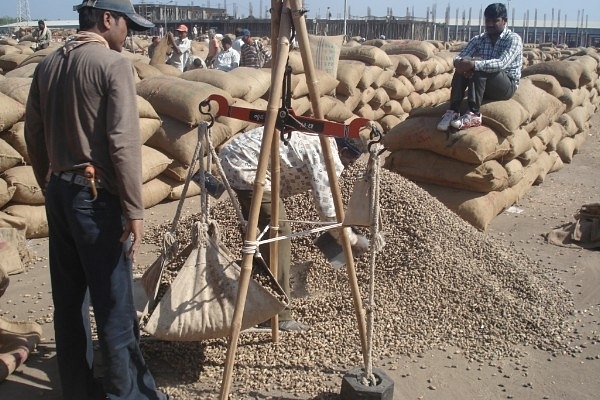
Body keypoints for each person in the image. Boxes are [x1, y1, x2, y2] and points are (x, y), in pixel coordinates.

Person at [24, 0, 171, 399]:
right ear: (108, 19)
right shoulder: (113, 65)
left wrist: (50, 180)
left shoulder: (48, 64)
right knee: (114, 304)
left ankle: (77, 389)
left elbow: (32, 134)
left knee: (69, 303)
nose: (128, 36)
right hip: (96, 199)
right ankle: (127, 393)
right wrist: (134, 209)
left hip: (60, 192)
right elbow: (122, 142)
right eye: (127, 26)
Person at [219, 127, 368, 331]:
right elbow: (327, 210)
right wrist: (350, 239)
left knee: (258, 232)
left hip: (237, 156)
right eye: (350, 162)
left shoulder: (321, 140)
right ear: (344, 152)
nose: (348, 168)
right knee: (278, 231)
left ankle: (252, 292)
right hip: (246, 166)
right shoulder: (329, 155)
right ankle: (278, 316)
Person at [437, 2, 523, 131]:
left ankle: (474, 114)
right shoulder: (480, 39)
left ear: (504, 21)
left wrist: (473, 65)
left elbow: (501, 63)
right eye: (488, 20)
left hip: (505, 86)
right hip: (482, 84)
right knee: (463, 67)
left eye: (495, 21)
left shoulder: (513, 39)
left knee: (479, 68)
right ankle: (453, 110)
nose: (490, 24)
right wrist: (461, 64)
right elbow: (460, 56)